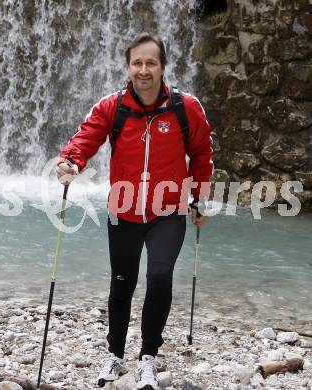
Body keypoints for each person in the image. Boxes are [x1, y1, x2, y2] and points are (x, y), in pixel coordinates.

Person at [56, 32, 213, 390]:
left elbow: (203, 153)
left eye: (151, 62)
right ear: (128, 66)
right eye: (137, 62)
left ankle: (148, 358)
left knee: (159, 277)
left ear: (162, 67)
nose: (144, 69)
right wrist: (70, 161)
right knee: (122, 283)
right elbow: (86, 137)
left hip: (167, 211)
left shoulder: (185, 107)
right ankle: (114, 354)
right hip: (124, 210)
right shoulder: (112, 106)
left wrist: (198, 198)